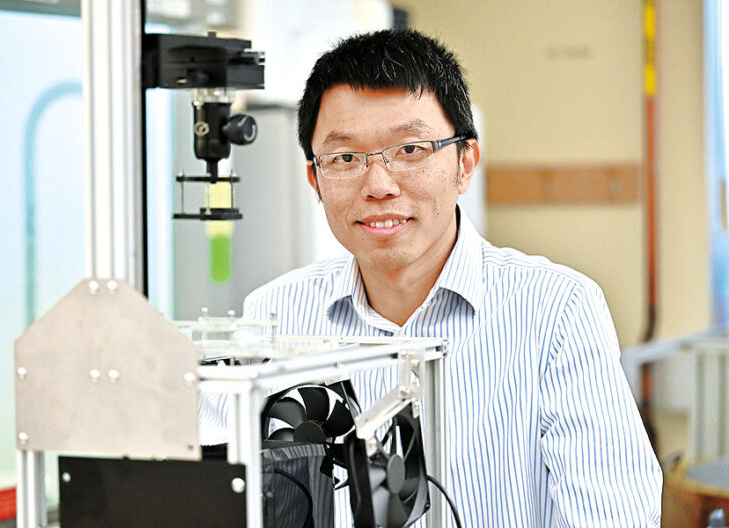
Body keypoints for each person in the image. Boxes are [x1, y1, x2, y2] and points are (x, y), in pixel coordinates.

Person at [243, 29, 662, 526]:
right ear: (315, 178)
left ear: (465, 163)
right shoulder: (273, 314)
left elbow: (612, 516)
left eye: (411, 149)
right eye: (345, 158)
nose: (378, 184)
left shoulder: (557, 309)